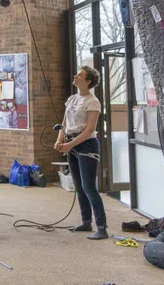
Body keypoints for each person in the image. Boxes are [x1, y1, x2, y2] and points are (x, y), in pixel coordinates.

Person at [55, 65, 108, 241]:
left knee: (89, 187)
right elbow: (64, 123)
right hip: (72, 143)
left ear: (88, 81)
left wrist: (70, 145)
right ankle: (86, 222)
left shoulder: (93, 101)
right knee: (79, 186)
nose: (75, 76)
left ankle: (102, 227)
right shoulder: (71, 99)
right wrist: (60, 140)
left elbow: (89, 129)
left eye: (80, 75)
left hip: (87, 146)